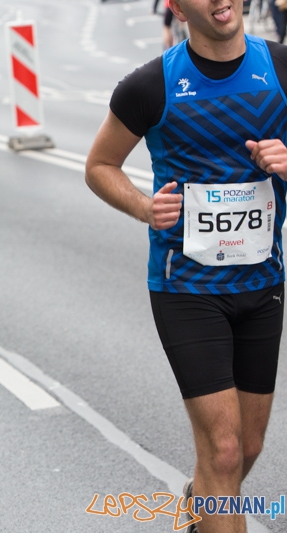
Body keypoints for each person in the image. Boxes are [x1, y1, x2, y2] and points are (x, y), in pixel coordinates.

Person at [85, 1, 287, 531]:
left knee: (247, 446)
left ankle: (200, 505)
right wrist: (143, 207)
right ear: (174, 6)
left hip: (264, 282)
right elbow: (100, 165)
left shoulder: (281, 68)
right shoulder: (149, 86)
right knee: (223, 452)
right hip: (187, 288)